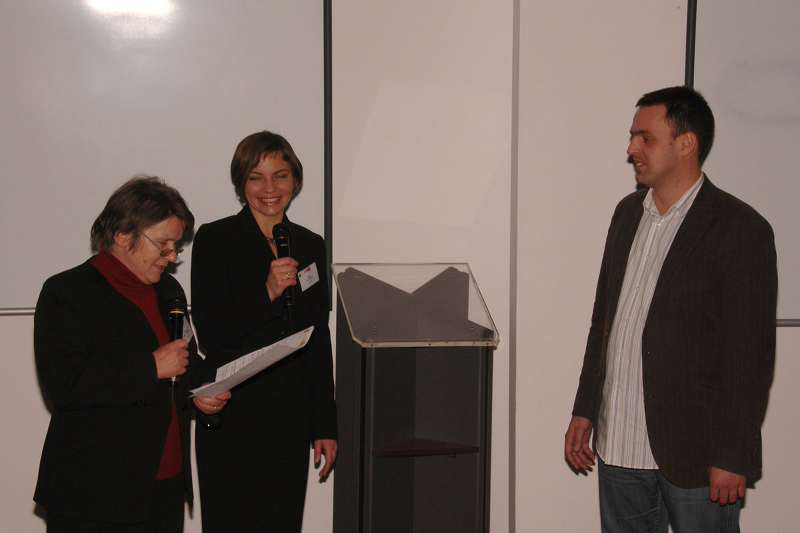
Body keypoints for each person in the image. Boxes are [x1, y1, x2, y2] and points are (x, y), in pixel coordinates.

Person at [564, 86, 777, 532]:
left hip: (696, 454)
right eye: (632, 137)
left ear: (686, 144)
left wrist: (733, 454)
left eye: (645, 138)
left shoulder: (740, 229)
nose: (632, 149)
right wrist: (585, 408)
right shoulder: (626, 214)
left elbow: (749, 356)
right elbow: (604, 323)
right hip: (619, 446)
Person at [33, 176, 229, 533]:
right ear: (123, 235)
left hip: (165, 487)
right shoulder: (67, 293)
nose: (172, 257)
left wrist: (203, 393)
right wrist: (149, 367)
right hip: (94, 495)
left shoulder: (169, 290)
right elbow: (63, 385)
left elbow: (184, 362)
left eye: (176, 246)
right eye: (163, 244)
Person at [191, 131, 337, 532]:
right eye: (256, 177)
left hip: (289, 418)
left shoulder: (310, 244)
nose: (269, 189)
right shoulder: (215, 239)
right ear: (241, 183)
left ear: (296, 181)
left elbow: (317, 337)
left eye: (280, 176)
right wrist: (267, 293)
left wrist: (325, 424)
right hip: (232, 412)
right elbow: (211, 333)